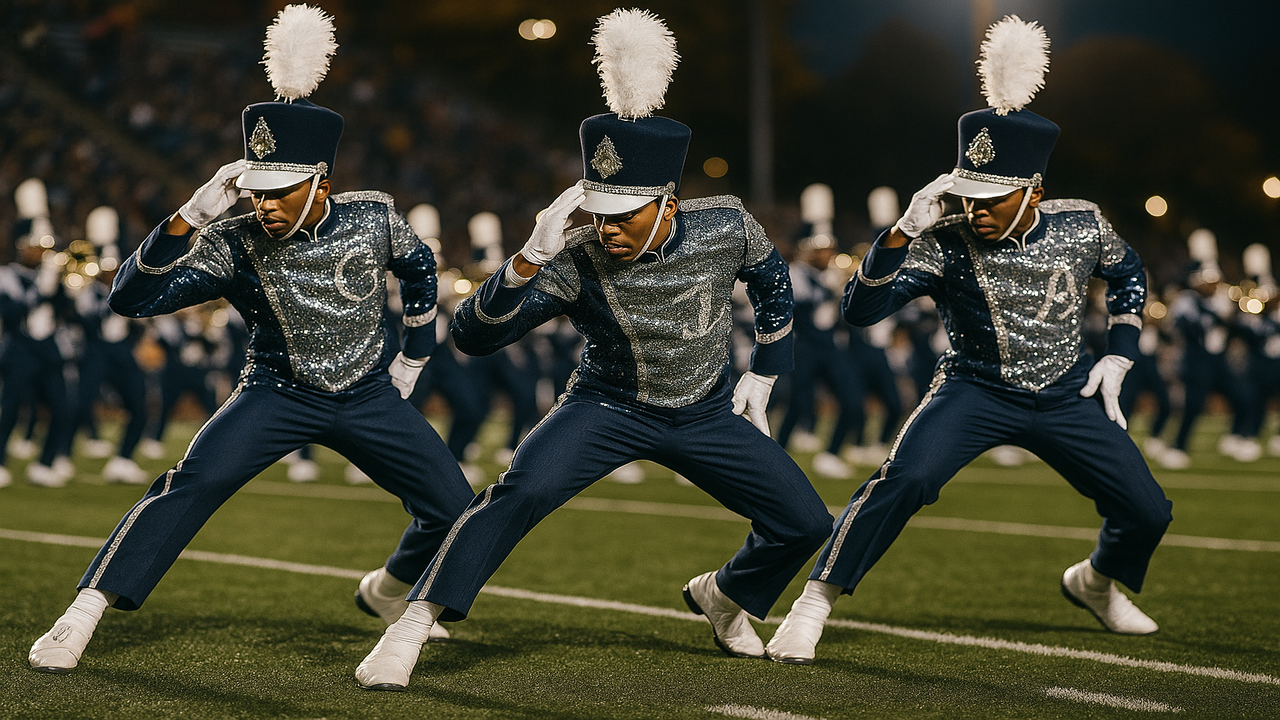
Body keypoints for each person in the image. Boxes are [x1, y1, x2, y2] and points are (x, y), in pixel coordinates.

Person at [353, 9, 832, 691]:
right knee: (517, 492)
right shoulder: (573, 257)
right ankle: (409, 625)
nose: (605, 226)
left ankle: (722, 596)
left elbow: (773, 281)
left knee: (805, 521)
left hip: (702, 413)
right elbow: (472, 339)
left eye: (622, 212)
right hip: (607, 406)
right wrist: (526, 258)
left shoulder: (726, 223)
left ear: (667, 201)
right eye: (597, 210)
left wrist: (767, 369)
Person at [27, 6, 473, 673]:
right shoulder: (232, 240)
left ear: (319, 180)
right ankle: (83, 612)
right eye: (253, 190)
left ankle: (385, 592)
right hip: (275, 392)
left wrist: (416, 351)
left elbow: (419, 269)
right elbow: (130, 298)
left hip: (367, 396)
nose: (261, 204)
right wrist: (187, 217)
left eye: (278, 191)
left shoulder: (374, 215)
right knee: (189, 483)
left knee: (456, 510)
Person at [766, 16, 1173, 664]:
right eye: (969, 195)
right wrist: (898, 234)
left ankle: (1093, 582)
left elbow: (1127, 271)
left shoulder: (1083, 223)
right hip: (975, 388)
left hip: (1066, 391)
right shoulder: (943, 240)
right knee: (904, 478)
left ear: (1034, 189)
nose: (975, 209)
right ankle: (813, 602)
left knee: (1149, 511)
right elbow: (860, 311)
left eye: (991, 197)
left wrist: (1121, 353)